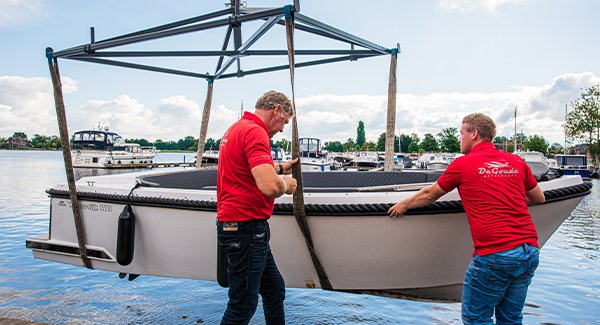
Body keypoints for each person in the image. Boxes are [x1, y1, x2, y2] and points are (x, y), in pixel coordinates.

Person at [388, 113, 545, 324]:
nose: (459, 139)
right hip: (528, 251)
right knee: (511, 319)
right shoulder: (515, 161)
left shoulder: (463, 164)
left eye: (461, 133)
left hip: (495, 254)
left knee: (476, 318)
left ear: (474, 134)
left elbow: (430, 195)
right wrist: (505, 197)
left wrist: (402, 205)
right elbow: (539, 197)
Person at [216, 90, 299, 325]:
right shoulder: (256, 132)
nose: (282, 129)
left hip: (243, 228)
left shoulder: (237, 128)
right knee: (242, 307)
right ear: (277, 111)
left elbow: (249, 168)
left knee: (274, 289)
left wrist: (281, 169)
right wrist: (286, 185)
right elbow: (268, 186)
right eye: (284, 122)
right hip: (245, 229)